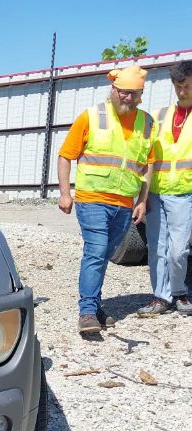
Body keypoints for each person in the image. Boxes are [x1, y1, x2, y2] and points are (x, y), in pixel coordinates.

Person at [57, 66, 156, 334]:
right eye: (123, 91)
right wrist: (65, 193)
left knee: (103, 255)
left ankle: (95, 304)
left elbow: (147, 164)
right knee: (96, 250)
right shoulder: (91, 116)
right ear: (113, 89)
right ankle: (87, 312)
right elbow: (66, 155)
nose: (128, 97)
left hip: (124, 204)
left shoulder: (147, 123)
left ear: (141, 95)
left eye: (134, 93)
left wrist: (141, 200)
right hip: (92, 199)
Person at [137, 60, 192, 316]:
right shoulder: (158, 116)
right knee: (156, 248)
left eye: (188, 86)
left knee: (178, 250)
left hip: (185, 193)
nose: (182, 91)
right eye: (178, 86)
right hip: (156, 193)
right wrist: (142, 194)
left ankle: (179, 291)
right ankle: (161, 297)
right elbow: (145, 155)